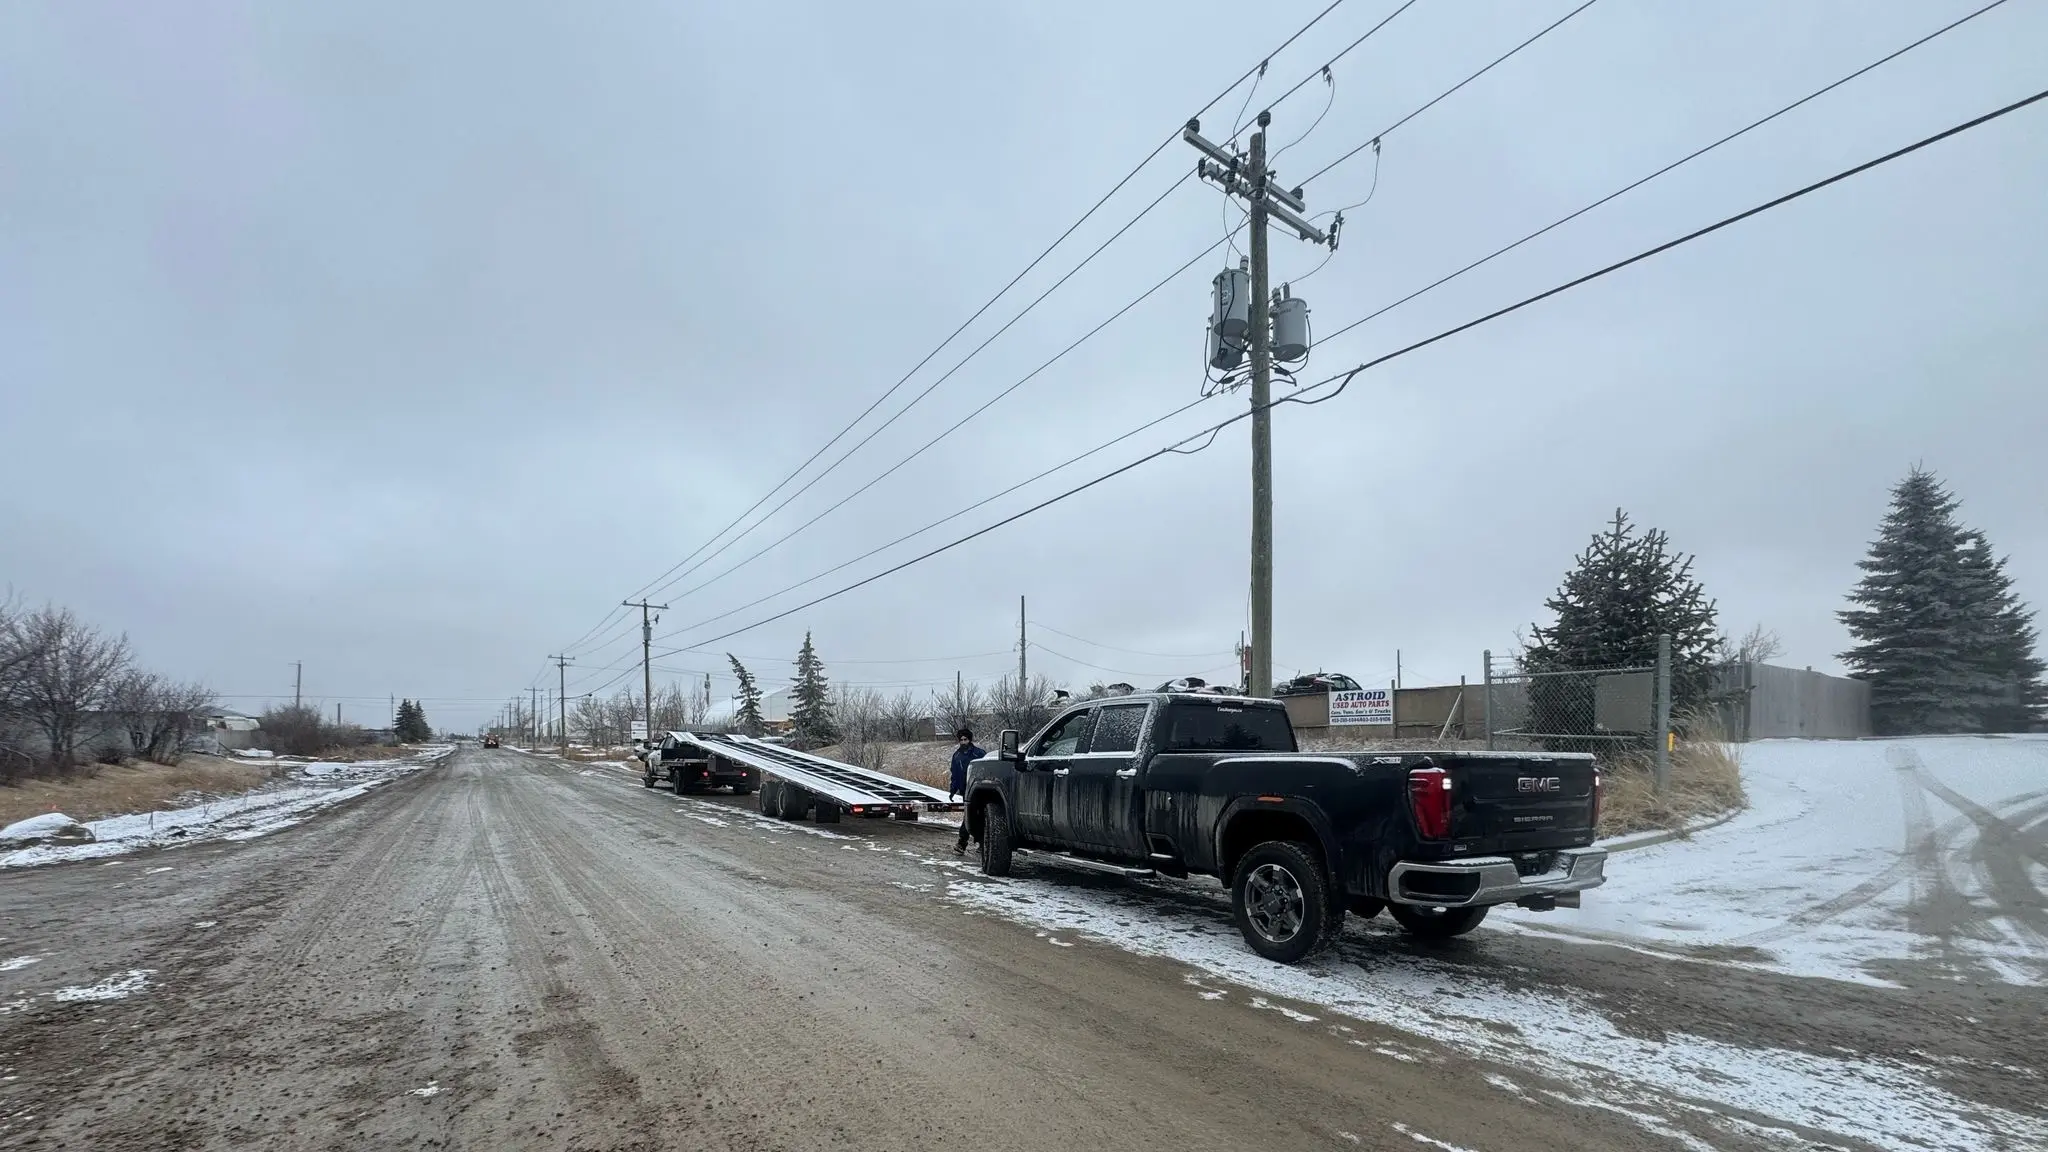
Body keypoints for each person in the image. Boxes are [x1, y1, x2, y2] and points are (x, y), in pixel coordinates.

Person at [949, 727, 984, 853]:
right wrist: (952, 790)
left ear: (969, 739)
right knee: (969, 816)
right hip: (965, 790)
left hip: (979, 789)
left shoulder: (979, 753)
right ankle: (964, 842)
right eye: (961, 740)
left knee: (980, 815)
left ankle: (976, 842)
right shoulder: (957, 756)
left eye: (965, 739)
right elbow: (954, 774)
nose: (963, 742)